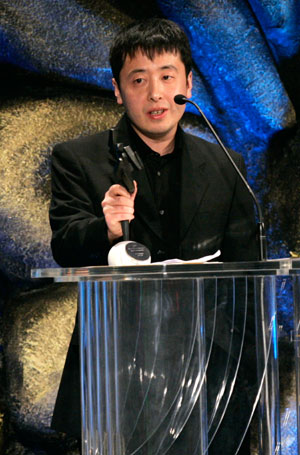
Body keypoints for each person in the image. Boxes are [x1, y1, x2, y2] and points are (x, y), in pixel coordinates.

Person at [49, 18, 258, 454]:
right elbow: (64, 246)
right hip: (117, 371)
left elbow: (249, 275)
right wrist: (104, 229)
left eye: (167, 76)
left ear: (188, 83)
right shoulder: (79, 159)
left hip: (211, 376)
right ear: (117, 90)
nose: (156, 93)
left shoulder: (226, 163)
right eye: (139, 80)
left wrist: (252, 376)